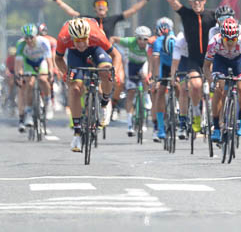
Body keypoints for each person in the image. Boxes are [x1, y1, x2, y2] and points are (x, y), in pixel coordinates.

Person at [54, 18, 124, 152]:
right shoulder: (63, 37)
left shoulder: (96, 35)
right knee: (74, 89)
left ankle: (104, 104)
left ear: (88, 36)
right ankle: (77, 133)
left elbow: (116, 56)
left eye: (83, 40)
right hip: (75, 56)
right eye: (77, 41)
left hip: (96, 49)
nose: (81, 44)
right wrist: (65, 74)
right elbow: (58, 58)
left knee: (105, 72)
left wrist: (113, 73)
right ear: (71, 38)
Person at [166, 0, 217, 133]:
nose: (197, 3)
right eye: (194, 0)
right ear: (190, 2)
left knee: (219, 88)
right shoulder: (186, 14)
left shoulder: (212, 15)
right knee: (195, 86)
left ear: (205, 0)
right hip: (194, 59)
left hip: (211, 58)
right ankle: (195, 113)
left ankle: (218, 120)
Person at [203, 18, 241, 141]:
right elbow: (206, 67)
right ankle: (217, 127)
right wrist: (211, 81)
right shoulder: (214, 42)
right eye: (226, 39)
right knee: (219, 88)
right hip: (221, 61)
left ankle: (240, 118)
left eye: (233, 39)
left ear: (237, 36)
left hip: (238, 61)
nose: (230, 42)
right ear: (221, 36)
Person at [47, 0, 158, 39]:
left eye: (103, 4)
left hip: (108, 48)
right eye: (98, 4)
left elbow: (133, 10)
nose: (101, 6)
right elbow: (72, 12)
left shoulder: (112, 19)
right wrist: (57, 0)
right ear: (94, 9)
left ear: (107, 8)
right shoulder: (89, 19)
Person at [111, 26, 153, 137]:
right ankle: (130, 124)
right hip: (131, 66)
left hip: (144, 64)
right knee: (130, 93)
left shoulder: (150, 45)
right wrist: (109, 48)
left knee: (145, 78)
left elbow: (151, 61)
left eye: (145, 39)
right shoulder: (129, 41)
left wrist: (149, 75)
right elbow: (113, 39)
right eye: (140, 38)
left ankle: (146, 95)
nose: (142, 42)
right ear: (136, 38)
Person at [14, 24, 53, 132]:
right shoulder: (21, 45)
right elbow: (18, 63)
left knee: (43, 79)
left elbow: (49, 60)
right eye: (26, 38)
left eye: (31, 37)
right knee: (29, 83)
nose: (29, 40)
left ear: (36, 36)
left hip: (41, 62)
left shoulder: (43, 42)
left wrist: (51, 72)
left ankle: (47, 101)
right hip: (29, 63)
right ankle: (29, 112)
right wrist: (18, 75)